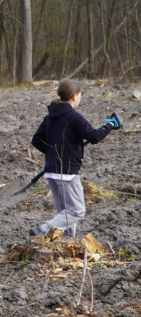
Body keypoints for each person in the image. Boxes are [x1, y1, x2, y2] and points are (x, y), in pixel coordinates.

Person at [29, 79, 120, 238]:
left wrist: (53, 153)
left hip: (51, 172)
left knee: (65, 215)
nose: (80, 98)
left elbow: (36, 140)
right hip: (67, 173)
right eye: (80, 95)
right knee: (76, 211)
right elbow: (94, 137)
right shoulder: (74, 117)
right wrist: (110, 125)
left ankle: (67, 243)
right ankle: (45, 228)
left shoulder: (50, 117)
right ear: (74, 96)